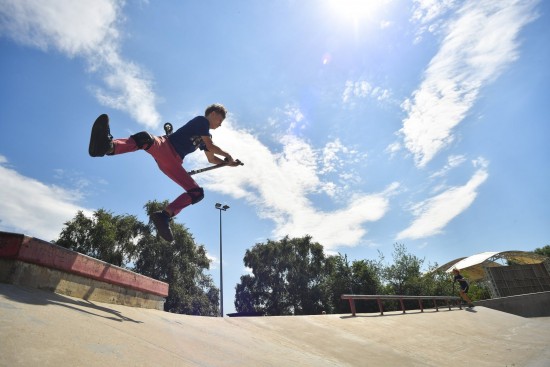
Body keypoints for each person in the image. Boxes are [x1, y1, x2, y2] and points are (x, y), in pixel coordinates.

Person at [89, 103, 241, 242]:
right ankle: (107, 146)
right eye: (220, 120)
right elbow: (211, 146)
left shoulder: (205, 136)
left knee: (197, 193)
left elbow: (211, 158)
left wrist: (227, 163)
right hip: (166, 146)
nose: (220, 125)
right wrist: (228, 156)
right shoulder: (202, 122)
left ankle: (164, 216)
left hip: (173, 162)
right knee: (145, 138)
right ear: (214, 114)